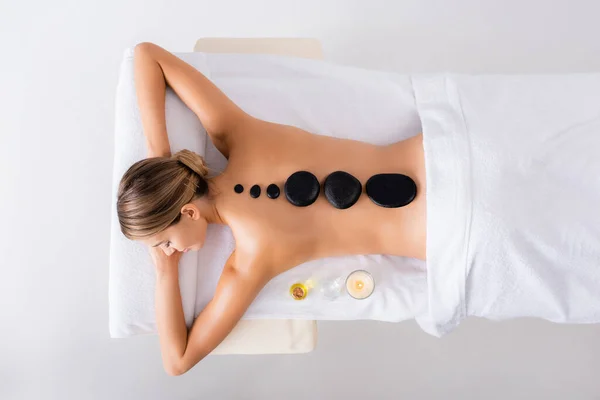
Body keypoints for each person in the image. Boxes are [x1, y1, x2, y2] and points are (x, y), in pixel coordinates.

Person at [117, 42, 427, 375]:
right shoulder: (239, 133)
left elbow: (177, 361)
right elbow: (148, 55)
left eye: (164, 242)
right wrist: (158, 154)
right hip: (431, 153)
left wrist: (165, 274)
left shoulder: (251, 262)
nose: (169, 252)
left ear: (189, 212)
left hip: (434, 231)